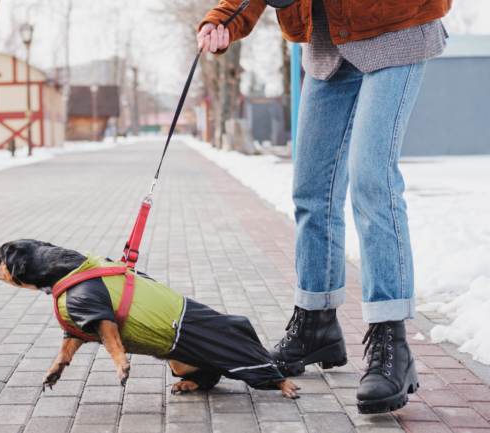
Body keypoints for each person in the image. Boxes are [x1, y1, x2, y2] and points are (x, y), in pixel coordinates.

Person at [198, 0, 450, 414]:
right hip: (326, 43)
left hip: (394, 25)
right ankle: (315, 323)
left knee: (372, 177)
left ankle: (392, 343)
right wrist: (225, 17)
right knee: (311, 189)